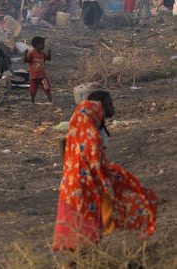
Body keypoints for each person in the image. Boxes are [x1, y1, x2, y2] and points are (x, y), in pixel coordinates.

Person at [52, 91, 157, 251]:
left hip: (73, 187)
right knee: (86, 230)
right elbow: (96, 163)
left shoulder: (81, 130)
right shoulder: (90, 135)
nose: (111, 107)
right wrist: (109, 178)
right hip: (83, 188)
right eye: (109, 104)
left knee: (82, 231)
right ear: (98, 107)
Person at [24, 36, 52, 104]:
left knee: (47, 88)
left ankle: (50, 101)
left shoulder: (42, 53)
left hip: (42, 75)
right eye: (42, 44)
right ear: (36, 45)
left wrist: (49, 52)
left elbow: (48, 59)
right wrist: (25, 54)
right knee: (33, 89)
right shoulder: (31, 53)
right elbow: (26, 60)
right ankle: (32, 101)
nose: (43, 45)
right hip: (34, 76)